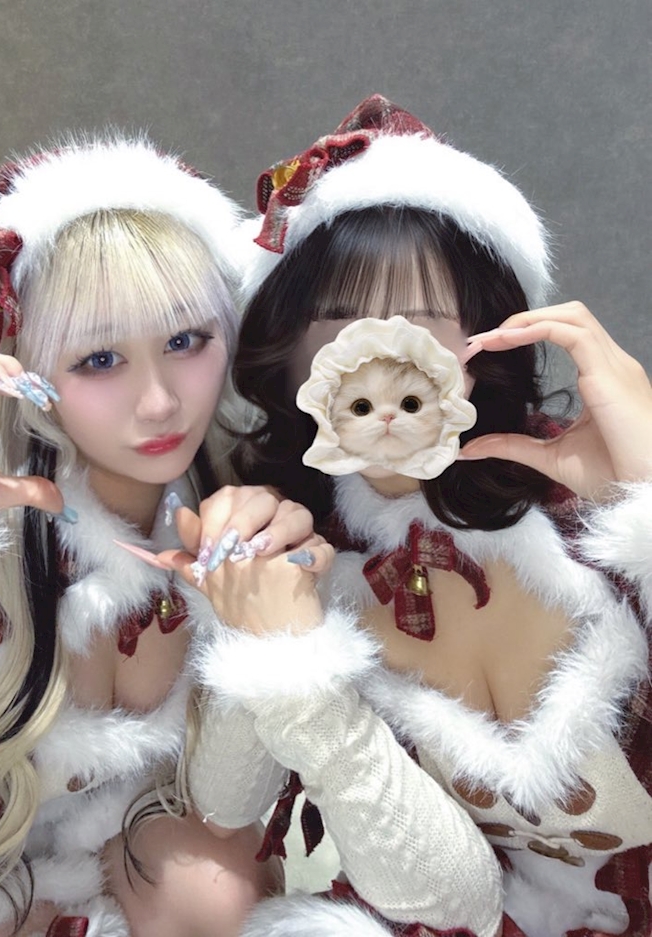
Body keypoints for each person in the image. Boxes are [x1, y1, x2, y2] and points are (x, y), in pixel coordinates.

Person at [183, 94, 652, 937]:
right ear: (288, 357)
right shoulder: (301, 554)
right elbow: (222, 808)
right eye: (339, 321)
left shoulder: (594, 498)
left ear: (483, 342)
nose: (384, 355)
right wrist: (265, 631)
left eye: (426, 320)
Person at [0, 134, 292, 937]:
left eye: (185, 341)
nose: (159, 402)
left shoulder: (238, 518)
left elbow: (226, 806)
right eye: (100, 358)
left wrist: (266, 627)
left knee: (219, 888)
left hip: (109, 853)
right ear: (31, 369)